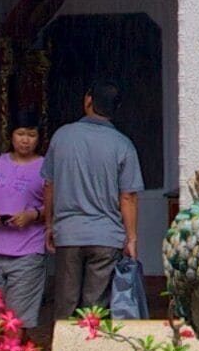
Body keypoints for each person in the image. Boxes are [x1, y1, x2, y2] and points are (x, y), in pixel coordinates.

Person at [46, 80, 147, 317]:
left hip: (68, 234)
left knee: (66, 305)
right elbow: (128, 196)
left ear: (88, 101)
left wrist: (49, 225)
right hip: (106, 237)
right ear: (116, 109)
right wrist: (131, 239)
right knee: (94, 309)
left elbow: (49, 185)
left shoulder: (61, 136)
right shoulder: (123, 144)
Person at [0, 117, 51, 333]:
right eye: (20, 134)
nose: (25, 140)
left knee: (15, 321)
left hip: (28, 253)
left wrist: (33, 215)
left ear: (39, 139)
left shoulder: (46, 167)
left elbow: (56, 204)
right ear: (11, 135)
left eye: (31, 135)